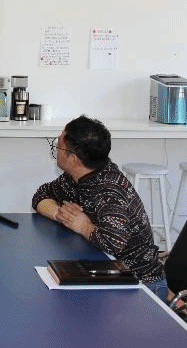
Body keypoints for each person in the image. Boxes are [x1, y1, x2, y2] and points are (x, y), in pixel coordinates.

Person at [31, 115, 167, 299]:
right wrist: (60, 214)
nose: (56, 150)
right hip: (106, 273)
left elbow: (113, 242)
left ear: (74, 159)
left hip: (140, 285)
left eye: (59, 146)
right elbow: (41, 195)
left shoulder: (109, 191)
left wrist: (83, 226)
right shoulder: (76, 177)